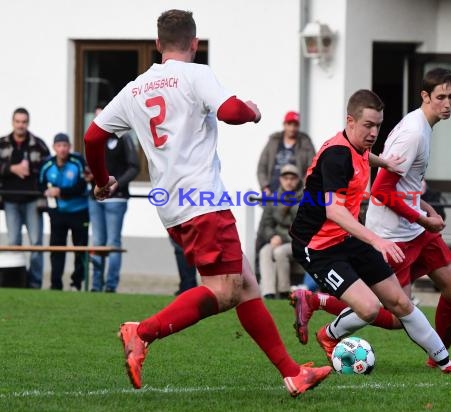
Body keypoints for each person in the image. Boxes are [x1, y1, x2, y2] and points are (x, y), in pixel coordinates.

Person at [83, 9, 331, 397]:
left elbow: (93, 137)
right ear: (195, 44)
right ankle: (141, 332)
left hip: (170, 206)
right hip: (202, 201)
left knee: (247, 284)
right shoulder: (195, 74)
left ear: (158, 45)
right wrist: (253, 110)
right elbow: (231, 111)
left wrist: (102, 181)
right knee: (226, 290)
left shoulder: (134, 89)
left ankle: (292, 373)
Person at [289, 88, 451, 376]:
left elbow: (364, 157)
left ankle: (446, 363)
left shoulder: (356, 147)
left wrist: (385, 162)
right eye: (368, 125)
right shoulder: (336, 157)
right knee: (368, 309)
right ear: (350, 121)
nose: (374, 132)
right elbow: (334, 211)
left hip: (345, 238)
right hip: (316, 246)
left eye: (378, 125)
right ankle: (328, 335)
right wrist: (376, 240)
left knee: (400, 302)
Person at [87, 103, 140, 293]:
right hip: (95, 199)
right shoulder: (94, 141)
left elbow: (135, 166)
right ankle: (95, 286)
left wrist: (117, 184)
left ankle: (110, 286)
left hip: (116, 199)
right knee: (97, 242)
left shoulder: (124, 138)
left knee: (112, 243)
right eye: (96, 118)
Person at [0, 107, 50, 288]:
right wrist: (11, 169)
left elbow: (48, 170)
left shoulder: (39, 144)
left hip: (33, 201)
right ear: (13, 122)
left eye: (24, 122)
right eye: (17, 121)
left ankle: (35, 284)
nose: (20, 125)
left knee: (36, 244)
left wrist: (31, 170)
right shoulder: (2, 143)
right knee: (14, 243)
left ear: (28, 123)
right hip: (10, 201)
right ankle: (17, 282)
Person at [38, 133, 90, 291]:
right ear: (54, 147)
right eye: (59, 146)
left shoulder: (78, 162)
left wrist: (60, 191)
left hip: (79, 211)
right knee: (56, 249)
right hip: (58, 213)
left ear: (70, 147)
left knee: (80, 249)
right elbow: (39, 184)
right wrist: (47, 192)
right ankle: (55, 284)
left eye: (65, 146)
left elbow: (82, 186)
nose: (62, 149)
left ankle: (77, 283)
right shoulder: (47, 165)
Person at [257, 164, 304, 299]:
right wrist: (272, 236)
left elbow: (303, 227)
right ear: (281, 180)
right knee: (265, 251)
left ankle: (284, 291)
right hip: (279, 239)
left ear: (298, 180)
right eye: (286, 178)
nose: (289, 182)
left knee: (280, 251)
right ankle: (269, 292)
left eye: (292, 178)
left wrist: (282, 237)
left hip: (296, 241)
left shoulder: (305, 198)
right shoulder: (273, 198)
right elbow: (267, 224)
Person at [256, 110, 315, 194]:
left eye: (295, 125)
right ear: (284, 125)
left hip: (297, 193)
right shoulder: (273, 141)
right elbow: (262, 167)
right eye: (289, 124)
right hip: (273, 192)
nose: (292, 128)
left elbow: (313, 167)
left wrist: (305, 188)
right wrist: (265, 186)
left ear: (299, 126)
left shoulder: (305, 143)